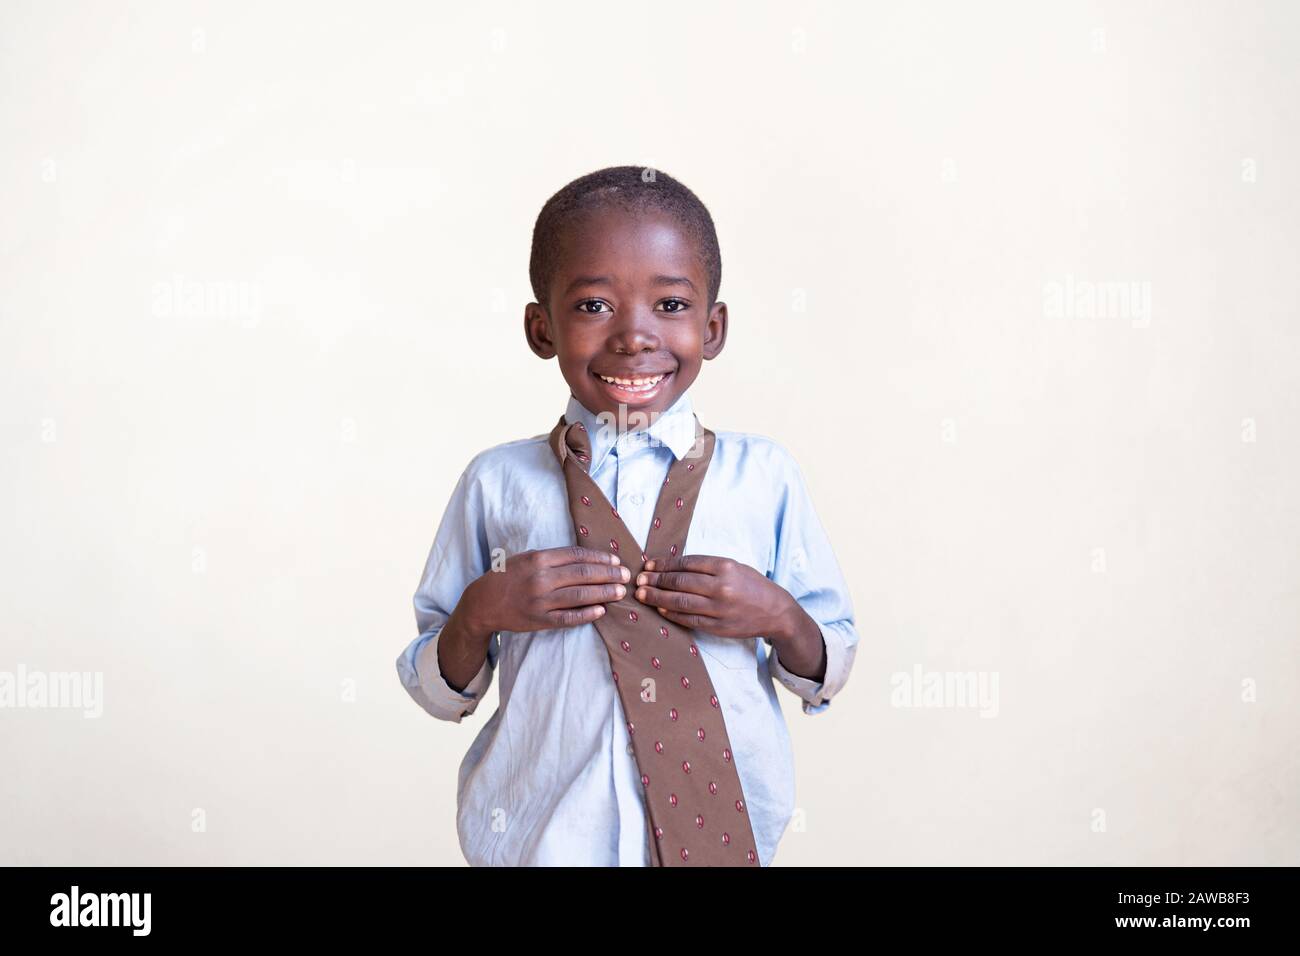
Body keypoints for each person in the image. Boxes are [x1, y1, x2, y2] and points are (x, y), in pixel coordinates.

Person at [396, 165, 858, 865]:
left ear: (714, 326)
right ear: (540, 327)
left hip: (730, 836)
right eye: (593, 307)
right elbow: (438, 688)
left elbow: (830, 659)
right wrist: (482, 610)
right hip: (541, 837)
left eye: (670, 306)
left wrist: (777, 615)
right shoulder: (496, 483)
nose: (634, 336)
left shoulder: (764, 479)